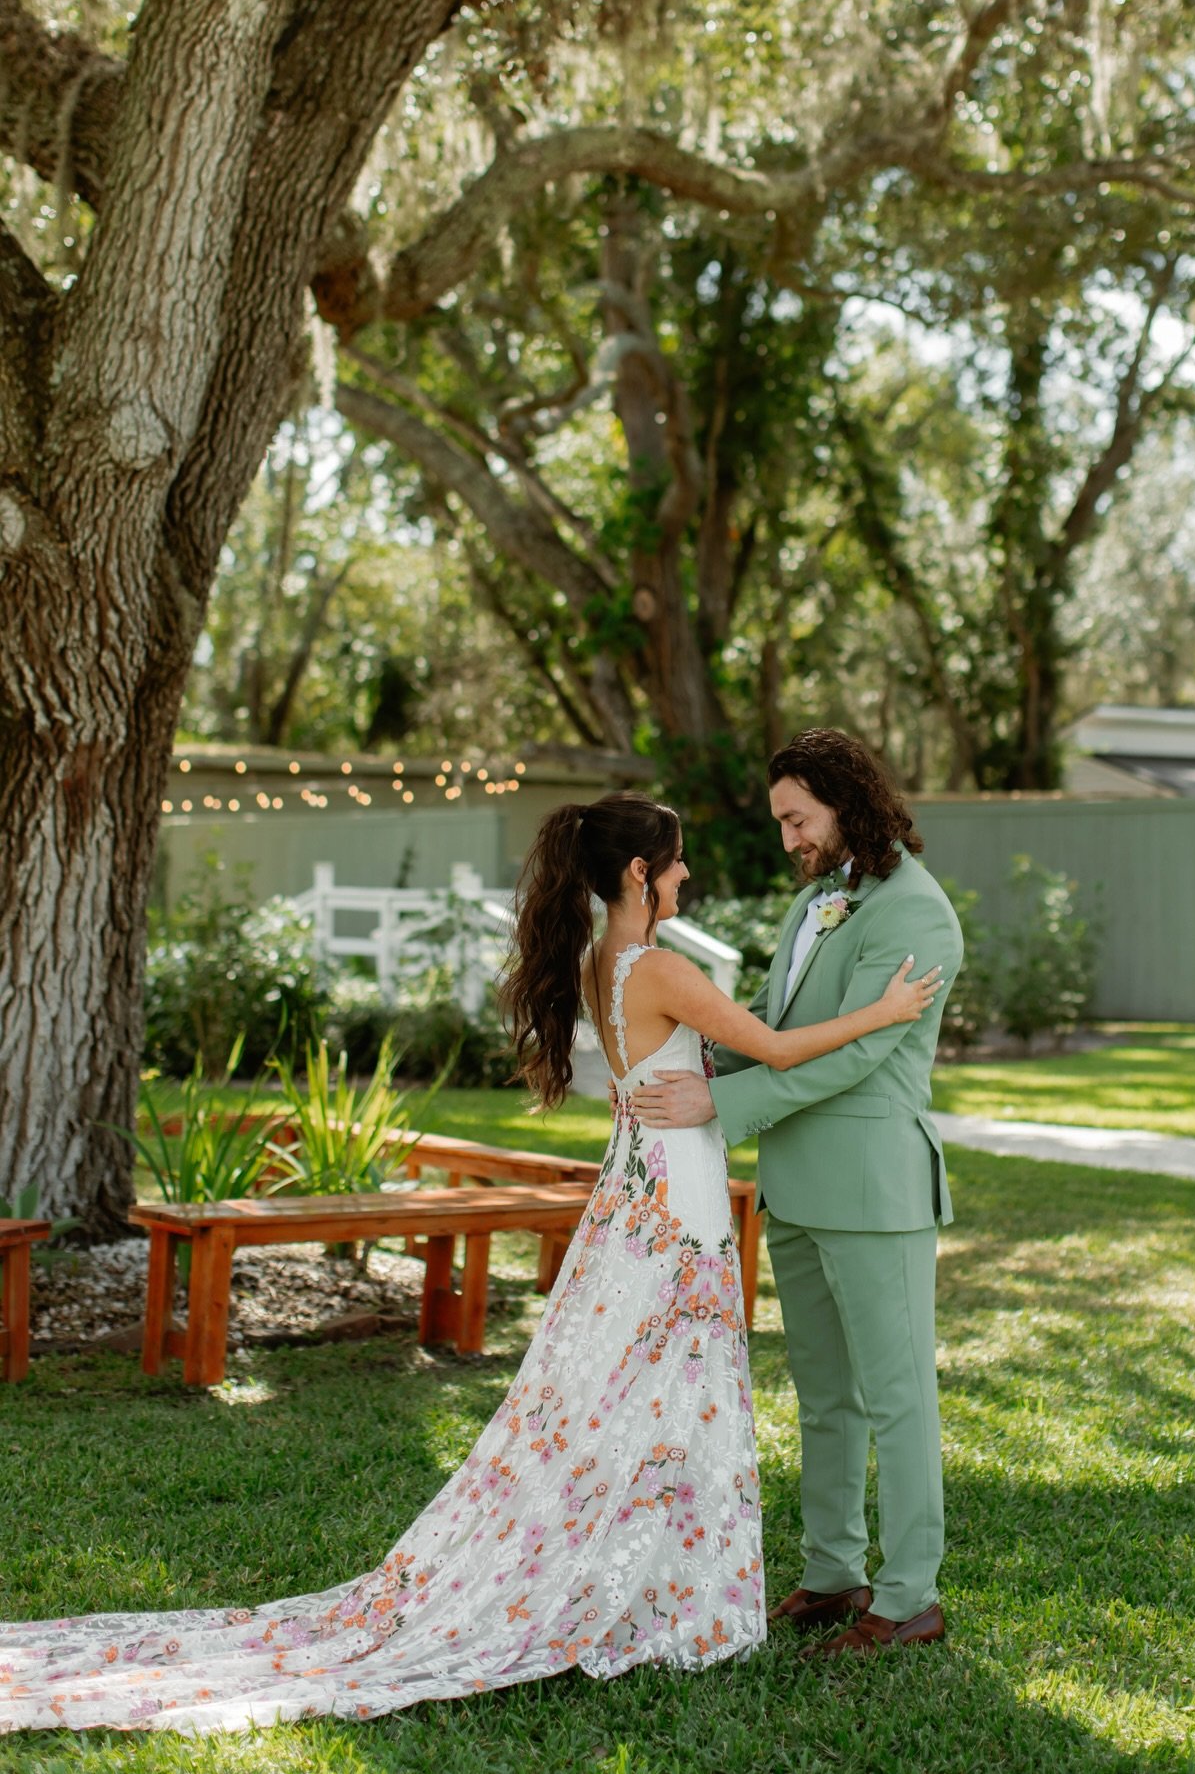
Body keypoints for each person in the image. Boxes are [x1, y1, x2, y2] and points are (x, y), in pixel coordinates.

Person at [0, 790, 940, 1736]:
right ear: (637, 874)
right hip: (675, 1200)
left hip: (632, 1195)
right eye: (679, 860)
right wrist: (886, 1010)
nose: (690, 872)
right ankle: (674, 1600)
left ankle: (663, 1581)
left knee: (632, 1392)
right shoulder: (662, 968)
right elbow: (774, 1048)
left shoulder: (599, 961)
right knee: (673, 1390)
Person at [633, 731, 962, 1658]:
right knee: (824, 1397)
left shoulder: (916, 914)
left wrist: (720, 1100)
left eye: (796, 819)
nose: (787, 839)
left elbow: (861, 1053)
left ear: (846, 801)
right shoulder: (817, 901)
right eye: (781, 820)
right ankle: (832, 1573)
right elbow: (782, 1030)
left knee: (897, 1398)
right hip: (799, 1189)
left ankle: (908, 1598)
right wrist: (685, 1055)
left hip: (875, 1191)